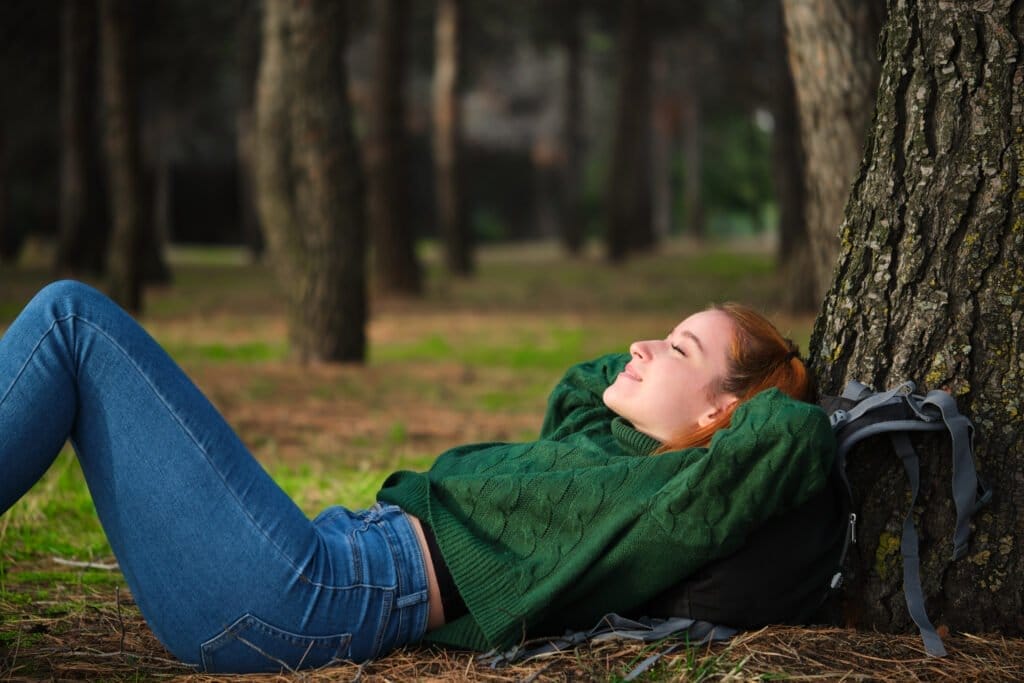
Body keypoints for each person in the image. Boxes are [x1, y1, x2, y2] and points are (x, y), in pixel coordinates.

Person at [0, 280, 835, 673]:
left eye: (679, 347)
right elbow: (583, 385)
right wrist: (676, 369)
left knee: (72, 320)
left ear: (723, 417)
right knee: (71, 325)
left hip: (314, 591)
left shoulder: (671, 498)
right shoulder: (609, 452)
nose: (643, 347)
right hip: (320, 558)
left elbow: (791, 435)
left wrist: (769, 381)